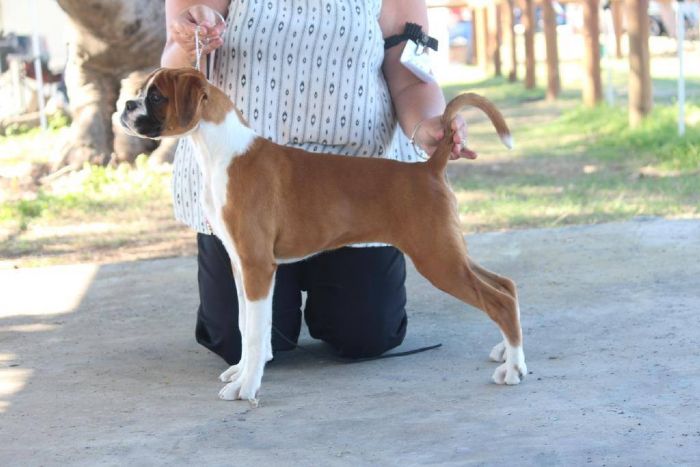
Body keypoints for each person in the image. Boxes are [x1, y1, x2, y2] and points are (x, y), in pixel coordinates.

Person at [162, 0, 475, 365]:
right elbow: (173, 67)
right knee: (235, 341)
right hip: (246, 184)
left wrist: (426, 125)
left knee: (365, 335)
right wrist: (189, 40)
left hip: (356, 187)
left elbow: (409, 75)